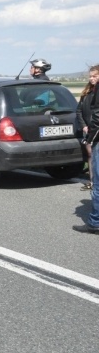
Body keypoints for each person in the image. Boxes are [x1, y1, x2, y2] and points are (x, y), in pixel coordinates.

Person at [77, 67, 99, 234]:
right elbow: (80, 111)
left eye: (95, 75)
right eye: (90, 76)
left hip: (96, 135)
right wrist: (84, 126)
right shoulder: (87, 93)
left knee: (98, 185)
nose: (92, 79)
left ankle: (94, 222)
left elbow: (98, 117)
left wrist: (90, 136)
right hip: (90, 131)